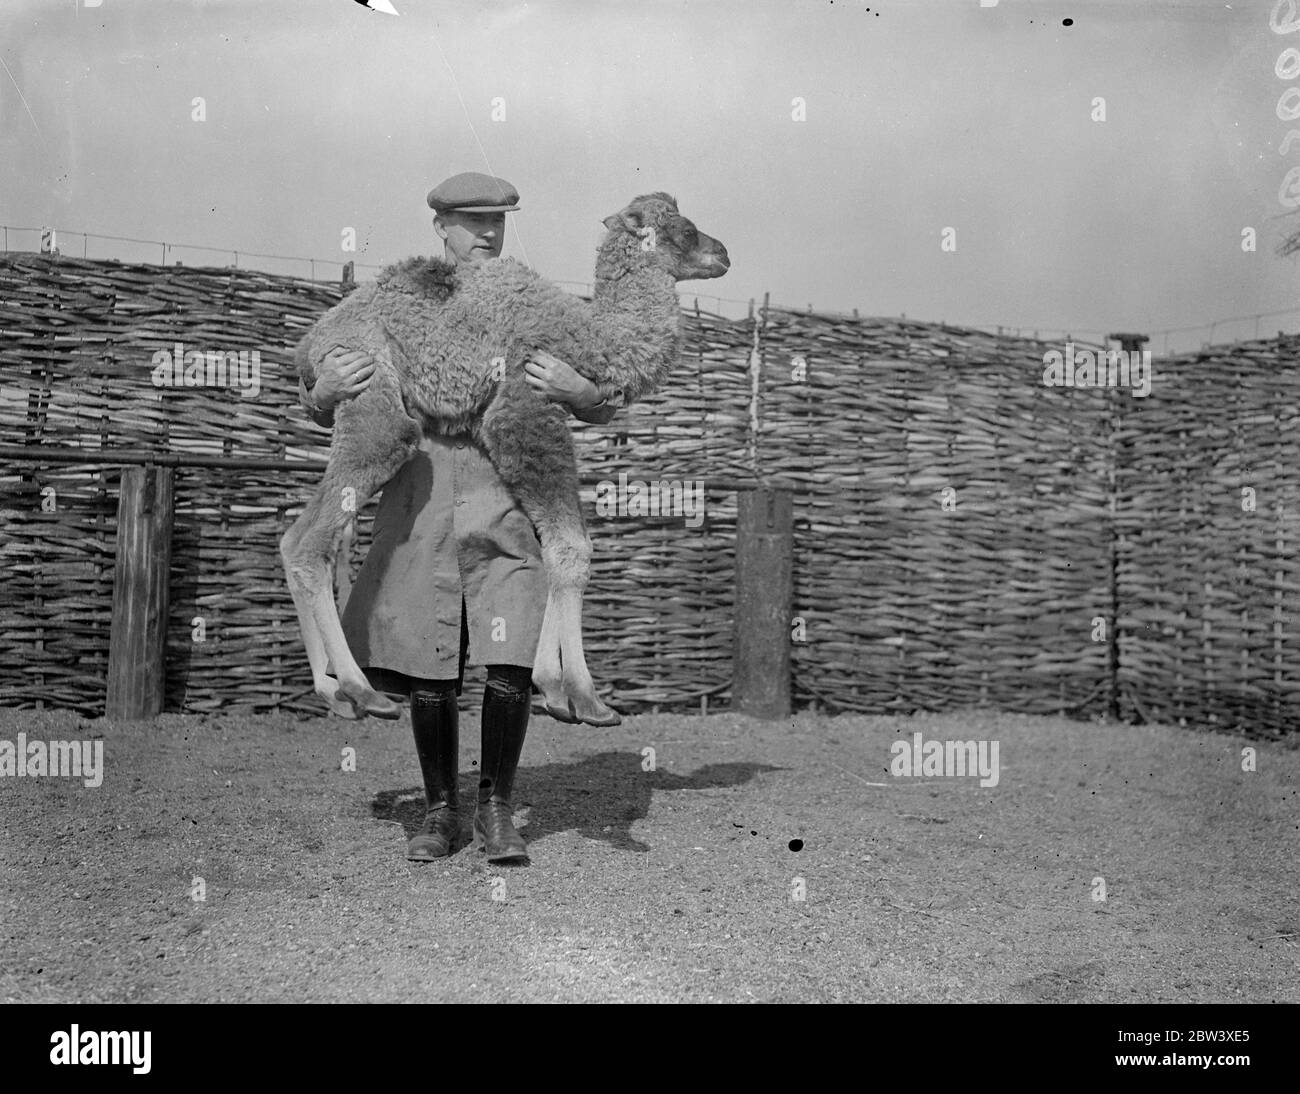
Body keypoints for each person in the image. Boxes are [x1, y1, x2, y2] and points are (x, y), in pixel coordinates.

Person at [300, 172, 622, 864]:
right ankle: (440, 810)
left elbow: (599, 371)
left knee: (510, 656)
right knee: (428, 664)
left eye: (497, 222)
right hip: (419, 497)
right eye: (472, 222)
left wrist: (586, 391)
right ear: (440, 227)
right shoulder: (395, 298)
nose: (487, 234)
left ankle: (497, 810)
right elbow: (326, 374)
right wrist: (320, 394)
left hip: (499, 492)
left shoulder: (523, 303)